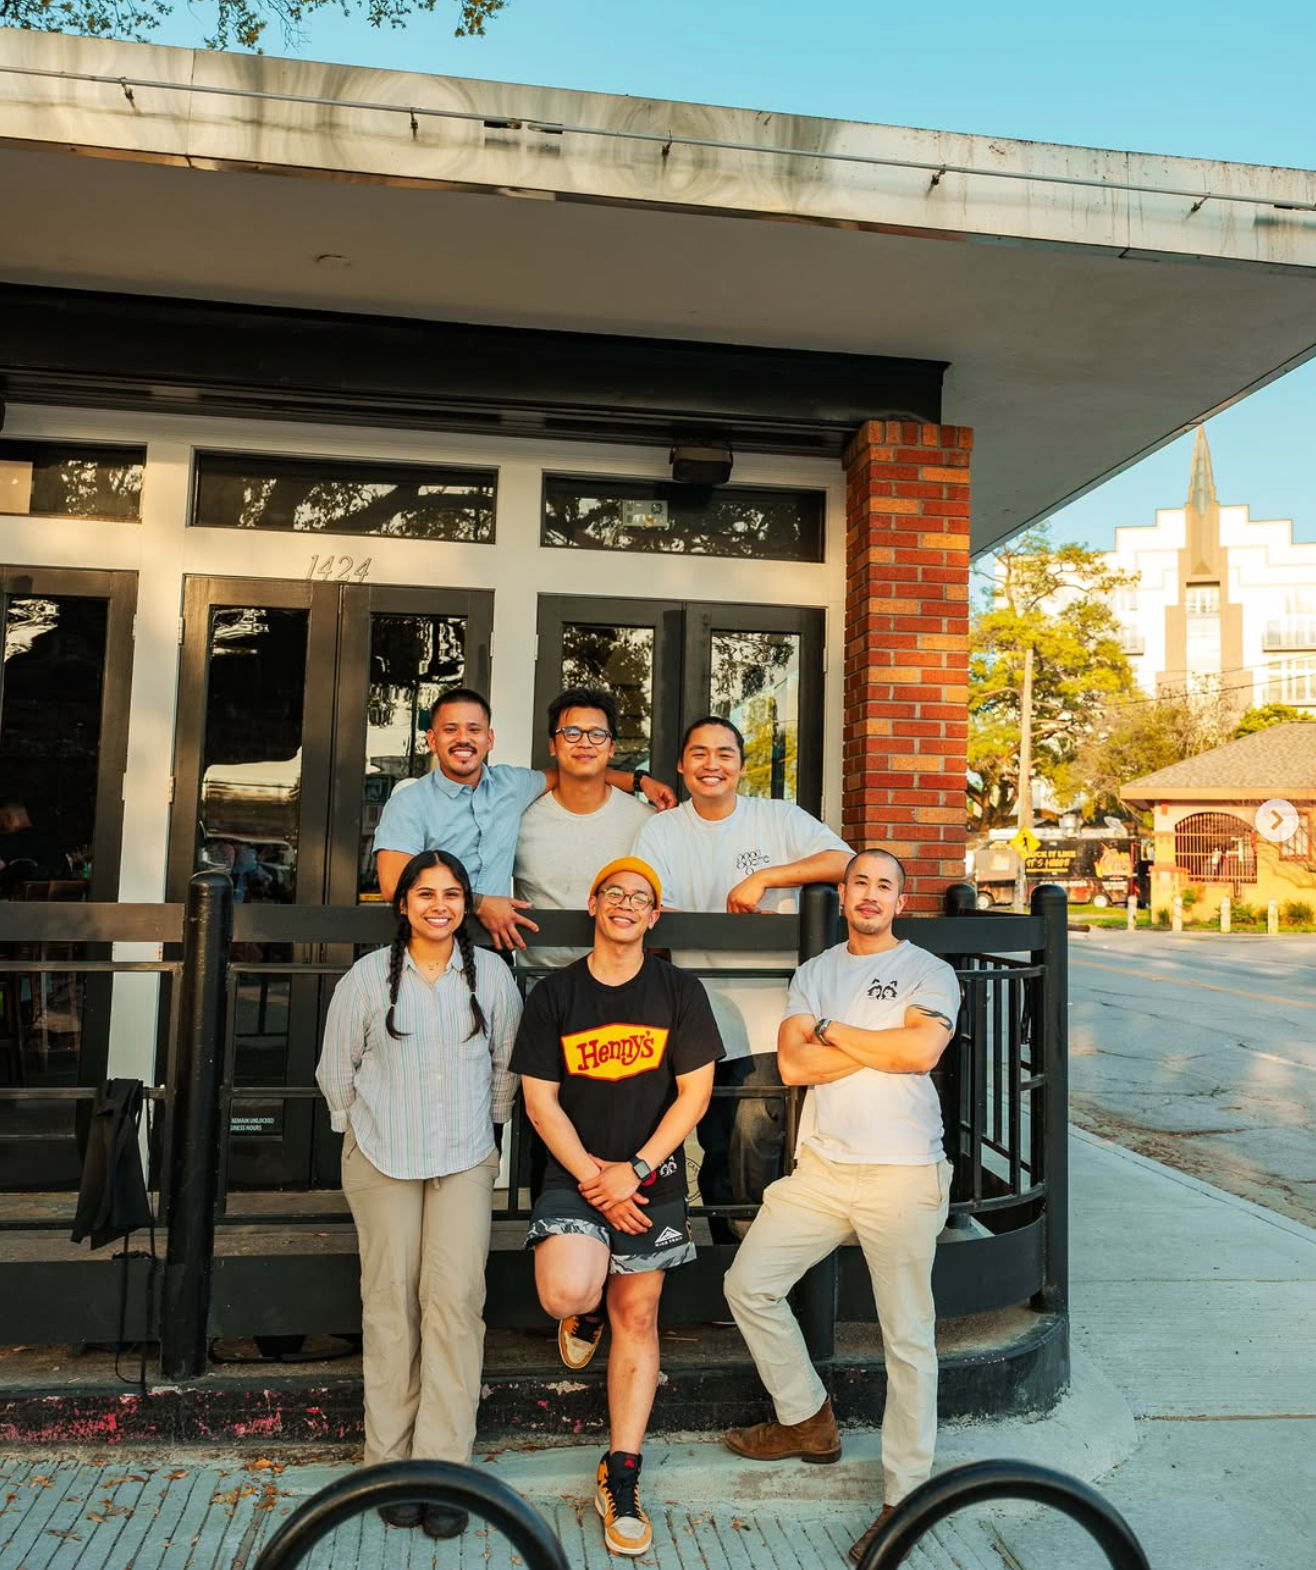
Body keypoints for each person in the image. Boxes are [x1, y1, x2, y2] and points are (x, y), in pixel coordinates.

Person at [720, 850, 960, 1565]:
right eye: (859, 882)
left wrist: (832, 1033)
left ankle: (904, 1496)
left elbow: (921, 1053)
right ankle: (807, 1419)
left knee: (907, 1340)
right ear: (844, 892)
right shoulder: (816, 971)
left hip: (903, 1171)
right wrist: (874, 1047)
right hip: (822, 1172)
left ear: (899, 900)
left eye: (884, 885)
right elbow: (794, 1066)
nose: (870, 894)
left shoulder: (927, 970)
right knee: (749, 1284)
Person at [512, 856, 722, 1557]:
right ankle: (586, 1305)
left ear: (654, 916)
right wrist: (598, 1179)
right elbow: (539, 1101)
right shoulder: (555, 995)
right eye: (615, 894)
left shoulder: (679, 991)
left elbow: (694, 1094)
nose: (627, 905)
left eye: (641, 898)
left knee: (640, 1312)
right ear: (594, 903)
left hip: (650, 1176)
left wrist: (634, 1170)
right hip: (578, 1175)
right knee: (566, 1288)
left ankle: (620, 1471)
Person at [315, 849, 522, 1539]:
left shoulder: (488, 974)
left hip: (462, 1160)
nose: (440, 904)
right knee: (390, 1305)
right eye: (425, 893)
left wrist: (486, 1133)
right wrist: (359, 1134)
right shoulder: (367, 978)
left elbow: (505, 1068)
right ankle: (388, 1464)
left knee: (455, 1305)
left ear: (466, 904)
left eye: (453, 893)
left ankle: (443, 1469)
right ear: (402, 904)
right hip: (382, 1158)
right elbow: (335, 1071)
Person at [634, 716, 850, 1240]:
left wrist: (765, 877)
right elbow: (649, 905)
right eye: (700, 754)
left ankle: (749, 1245)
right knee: (716, 1134)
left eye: (725, 754)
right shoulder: (661, 830)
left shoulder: (776, 817)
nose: (713, 765)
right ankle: (729, 1250)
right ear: (682, 766)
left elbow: (845, 861)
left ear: (742, 766)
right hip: (698, 1012)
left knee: (758, 1132)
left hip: (769, 1013)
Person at [373, 687, 674, 949]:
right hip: (428, 943)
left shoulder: (511, 785)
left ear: (490, 739)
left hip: (495, 950)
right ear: (431, 739)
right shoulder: (409, 802)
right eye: (450, 730)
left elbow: (577, 768)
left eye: (474, 730)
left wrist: (639, 781)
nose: (463, 739)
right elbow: (393, 885)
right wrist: (477, 903)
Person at [514, 686, 652, 971]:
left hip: (622, 983)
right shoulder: (521, 820)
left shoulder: (645, 821)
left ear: (612, 747)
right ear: (553, 745)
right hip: (540, 983)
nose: (585, 743)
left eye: (597, 734)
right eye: (572, 733)